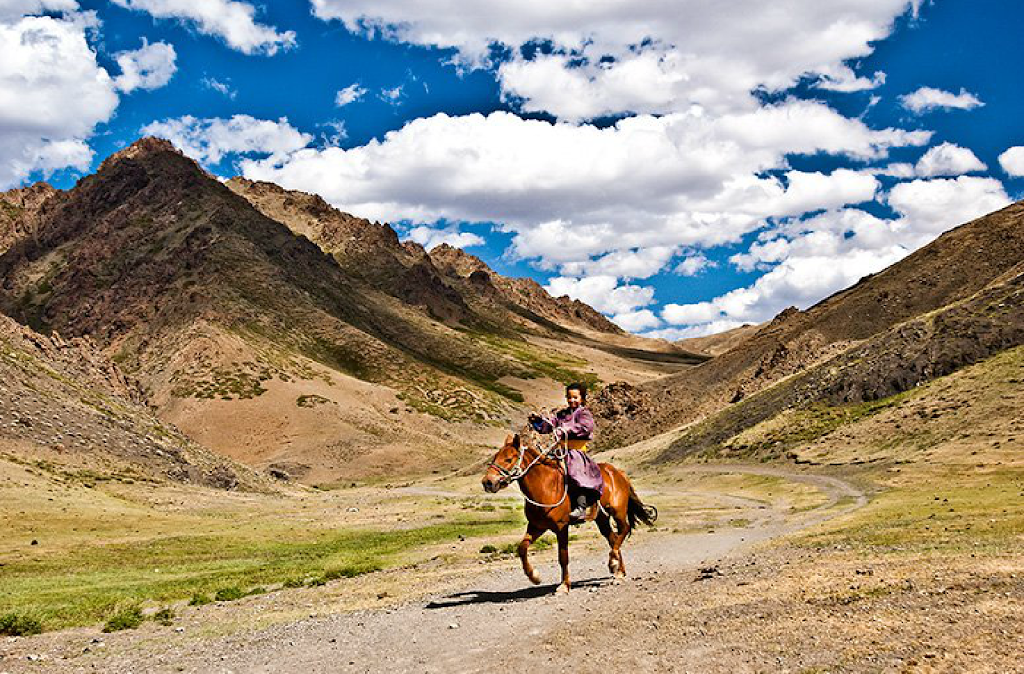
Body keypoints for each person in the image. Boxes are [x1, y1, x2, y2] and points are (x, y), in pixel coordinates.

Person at [529, 382, 604, 523]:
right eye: (569, 397)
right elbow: (548, 426)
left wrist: (565, 430)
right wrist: (538, 421)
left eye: (575, 397)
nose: (572, 400)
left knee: (574, 472)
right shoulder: (562, 414)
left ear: (582, 398)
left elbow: (585, 428)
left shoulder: (584, 413)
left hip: (576, 452)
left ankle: (581, 508)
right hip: (560, 451)